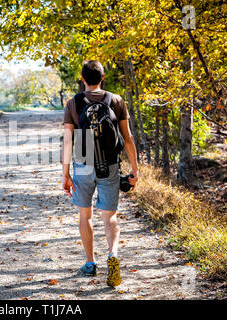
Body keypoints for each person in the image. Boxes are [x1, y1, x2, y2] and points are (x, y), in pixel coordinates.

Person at [62, 60, 139, 287]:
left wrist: (65, 174)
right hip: (111, 163)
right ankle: (113, 255)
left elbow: (68, 140)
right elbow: (127, 138)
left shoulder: (73, 104)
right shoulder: (116, 100)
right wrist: (135, 168)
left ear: (82, 79)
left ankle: (90, 263)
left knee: (85, 216)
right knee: (110, 216)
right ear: (102, 77)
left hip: (83, 162)